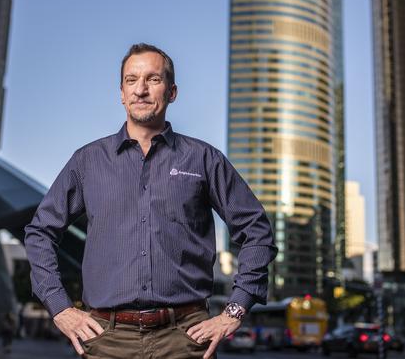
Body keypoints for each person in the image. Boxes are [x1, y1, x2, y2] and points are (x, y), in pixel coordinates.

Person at [24, 43, 277, 359]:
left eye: (153, 80)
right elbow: (39, 233)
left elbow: (257, 232)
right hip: (105, 340)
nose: (140, 90)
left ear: (172, 92)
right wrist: (60, 307)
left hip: (185, 338)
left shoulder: (203, 159)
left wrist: (234, 311)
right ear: (121, 92)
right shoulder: (88, 162)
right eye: (131, 80)